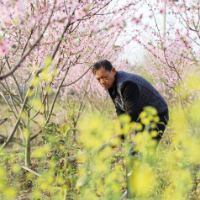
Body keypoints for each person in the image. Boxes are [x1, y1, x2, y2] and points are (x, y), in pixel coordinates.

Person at [92, 59, 169, 198]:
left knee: (144, 154)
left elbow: (131, 113)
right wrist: (120, 134)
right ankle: (132, 192)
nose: (102, 81)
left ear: (113, 71)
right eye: (98, 79)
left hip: (157, 115)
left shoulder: (127, 84)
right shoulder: (110, 86)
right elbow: (121, 110)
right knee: (132, 154)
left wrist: (120, 135)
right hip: (143, 117)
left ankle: (145, 190)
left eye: (104, 76)